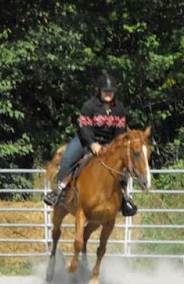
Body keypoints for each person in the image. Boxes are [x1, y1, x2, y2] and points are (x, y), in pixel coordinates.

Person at [43, 74, 137, 216]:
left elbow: (120, 132)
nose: (108, 93)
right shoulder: (89, 106)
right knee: (68, 158)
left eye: (111, 91)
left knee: (123, 165)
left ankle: (123, 198)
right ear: (99, 91)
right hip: (85, 140)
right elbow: (85, 128)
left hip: (109, 143)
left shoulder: (119, 108)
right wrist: (92, 144)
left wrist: (112, 147)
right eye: (105, 91)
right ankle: (59, 191)